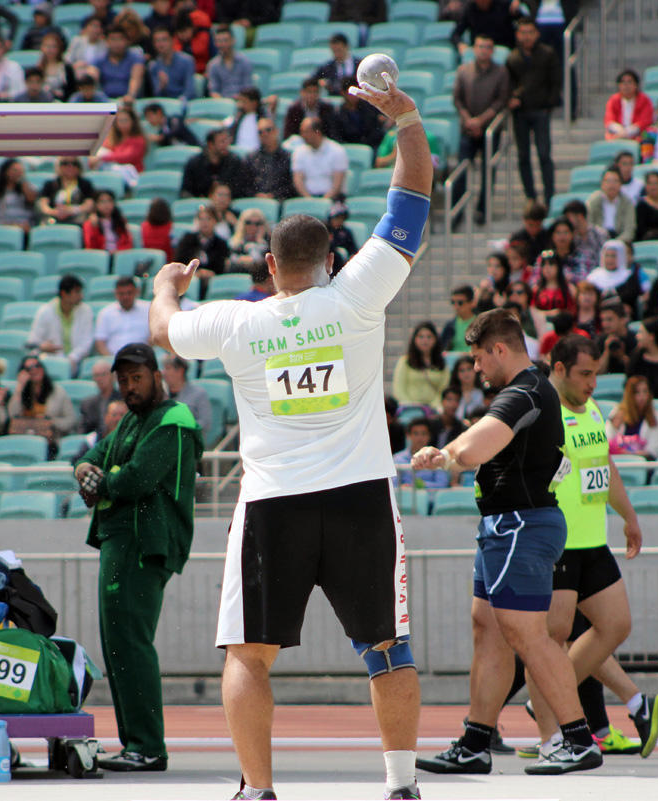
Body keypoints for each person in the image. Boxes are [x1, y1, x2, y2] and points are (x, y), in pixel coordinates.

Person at [148, 71, 431, 800]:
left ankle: (259, 790)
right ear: (331, 258)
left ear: (269, 267)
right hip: (363, 494)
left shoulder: (240, 321)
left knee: (249, 654)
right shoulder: (358, 294)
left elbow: (163, 333)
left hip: (275, 501)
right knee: (388, 647)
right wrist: (404, 120)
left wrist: (167, 284)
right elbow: (412, 202)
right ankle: (401, 786)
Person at [412, 310, 603, 777]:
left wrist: (446, 455)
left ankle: (579, 739)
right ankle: (477, 741)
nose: (475, 369)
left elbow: (479, 445)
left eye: (478, 358)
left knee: (529, 637)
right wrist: (454, 453)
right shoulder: (526, 391)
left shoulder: (525, 391)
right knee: (489, 628)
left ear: (500, 350)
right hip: (507, 525)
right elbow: (480, 439)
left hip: (521, 525)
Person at [516, 336, 658, 763]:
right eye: (584, 373)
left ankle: (548, 695)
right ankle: (552, 738)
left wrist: (629, 516)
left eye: (596, 373)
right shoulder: (544, 414)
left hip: (594, 543)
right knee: (551, 640)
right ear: (557, 369)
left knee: (616, 625)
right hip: (557, 545)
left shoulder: (593, 408)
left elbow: (605, 465)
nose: (593, 382)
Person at [73, 343, 202, 773]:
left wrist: (101, 481)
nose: (130, 386)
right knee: (117, 645)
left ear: (157, 375)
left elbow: (138, 478)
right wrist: (85, 472)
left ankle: (147, 746)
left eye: (137, 377)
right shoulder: (132, 420)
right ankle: (136, 744)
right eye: (123, 380)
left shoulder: (173, 420)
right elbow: (92, 458)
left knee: (130, 641)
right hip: (120, 538)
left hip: (143, 541)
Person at [453, 35, 511, 224]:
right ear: (474, 49)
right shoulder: (464, 70)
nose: (483, 50)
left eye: (487, 47)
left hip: (490, 131)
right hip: (467, 129)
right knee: (461, 171)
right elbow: (457, 100)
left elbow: (501, 101)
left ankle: (482, 211)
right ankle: (456, 212)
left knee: (488, 172)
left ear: (492, 50)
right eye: (480, 46)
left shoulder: (501, 72)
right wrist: (469, 120)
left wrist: (481, 121)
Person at [506, 17, 559, 205]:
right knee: (523, 156)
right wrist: (511, 98)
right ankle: (531, 196)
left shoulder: (547, 54)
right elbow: (509, 84)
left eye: (530, 32)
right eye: (523, 32)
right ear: (517, 35)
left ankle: (549, 194)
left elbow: (555, 82)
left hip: (541, 110)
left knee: (544, 154)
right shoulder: (512, 57)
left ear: (537, 33)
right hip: (520, 112)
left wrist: (549, 105)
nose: (526, 36)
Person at [26, 275, 95, 377]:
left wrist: (71, 359)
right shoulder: (45, 312)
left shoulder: (86, 311)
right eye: (76, 292)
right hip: (51, 366)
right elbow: (33, 342)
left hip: (78, 363)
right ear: (64, 294)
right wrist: (42, 347)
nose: (81, 296)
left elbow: (86, 342)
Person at [605, 374, 658, 459]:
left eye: (645, 391)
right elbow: (607, 442)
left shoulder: (655, 416)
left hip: (643, 463)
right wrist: (614, 427)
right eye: (637, 392)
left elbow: (654, 450)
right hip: (618, 461)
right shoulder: (617, 412)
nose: (642, 396)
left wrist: (633, 454)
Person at [182, 127, 249, 199]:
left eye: (227, 141)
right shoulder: (195, 163)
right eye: (222, 142)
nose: (226, 145)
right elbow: (186, 191)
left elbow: (241, 189)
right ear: (211, 144)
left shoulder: (234, 162)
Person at [394, 322, 448, 410]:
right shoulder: (404, 362)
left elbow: (444, 389)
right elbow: (398, 389)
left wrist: (432, 406)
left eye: (429, 337)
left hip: (434, 410)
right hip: (409, 410)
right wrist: (413, 406)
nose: (425, 340)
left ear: (435, 339)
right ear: (414, 339)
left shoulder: (441, 363)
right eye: (421, 337)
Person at [291, 118, 349, 200]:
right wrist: (309, 199)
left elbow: (337, 184)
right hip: (307, 199)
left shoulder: (337, 150)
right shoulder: (298, 152)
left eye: (306, 132)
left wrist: (323, 202)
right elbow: (298, 180)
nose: (303, 136)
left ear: (317, 132)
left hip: (332, 199)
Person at [95, 275, 151, 356]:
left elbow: (156, 336)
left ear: (137, 292)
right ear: (115, 293)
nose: (126, 297)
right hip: (114, 360)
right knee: (99, 368)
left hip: (143, 358)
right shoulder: (106, 313)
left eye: (129, 293)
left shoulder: (149, 309)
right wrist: (112, 360)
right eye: (121, 294)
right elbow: (100, 342)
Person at [161, 355, 212, 441]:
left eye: (168, 368)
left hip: (190, 442)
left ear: (180, 371)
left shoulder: (199, 394)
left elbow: (205, 423)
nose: (163, 373)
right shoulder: (161, 395)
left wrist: (181, 427)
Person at [175, 204, 230, 282]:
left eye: (208, 219)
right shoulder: (188, 239)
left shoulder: (221, 244)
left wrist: (210, 273)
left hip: (212, 280)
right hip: (190, 279)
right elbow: (179, 261)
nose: (204, 223)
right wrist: (195, 273)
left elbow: (222, 266)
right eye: (201, 219)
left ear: (215, 221)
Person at [0, 157, 37, 230]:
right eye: (14, 170)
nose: (17, 173)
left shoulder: (27, 187)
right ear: (6, 171)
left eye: (20, 170)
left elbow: (32, 198)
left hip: (22, 227)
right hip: (0, 226)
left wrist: (22, 182)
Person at [247, 118, 294, 200]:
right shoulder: (251, 158)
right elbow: (245, 185)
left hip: (280, 202)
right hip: (256, 201)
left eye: (268, 130)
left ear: (276, 131)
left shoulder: (288, 157)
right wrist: (256, 195)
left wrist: (274, 195)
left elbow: (291, 185)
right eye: (260, 132)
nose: (265, 134)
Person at [586, 169, 636, 243]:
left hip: (620, 240)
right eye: (608, 181)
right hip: (598, 240)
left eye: (615, 181)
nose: (612, 185)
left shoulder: (627, 203)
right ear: (602, 184)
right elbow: (588, 225)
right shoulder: (593, 201)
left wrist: (615, 243)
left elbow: (629, 230)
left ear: (621, 184)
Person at [147, 23, 195, 100]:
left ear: (172, 41)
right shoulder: (153, 66)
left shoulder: (187, 60)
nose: (161, 44)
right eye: (157, 41)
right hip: (164, 105)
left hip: (183, 103)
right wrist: (161, 86)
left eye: (164, 40)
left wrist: (179, 103)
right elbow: (156, 95)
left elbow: (190, 91)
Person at [604, 69, 653, 142]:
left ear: (636, 85)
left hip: (638, 137)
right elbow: (609, 120)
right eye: (623, 82)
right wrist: (621, 132)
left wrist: (627, 132)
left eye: (629, 82)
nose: (626, 85)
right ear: (619, 86)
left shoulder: (644, 100)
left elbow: (645, 121)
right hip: (617, 136)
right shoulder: (614, 100)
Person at [451, 0, 516, 53]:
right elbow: (456, 34)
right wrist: (460, 44)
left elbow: (522, 22)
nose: (482, 1)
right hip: (479, 50)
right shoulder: (470, 8)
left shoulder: (505, 5)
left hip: (503, 49)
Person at [205, 25, 251, 99]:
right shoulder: (212, 65)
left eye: (225, 40)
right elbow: (214, 91)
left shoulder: (244, 61)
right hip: (222, 103)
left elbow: (248, 87)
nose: (222, 44)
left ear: (233, 40)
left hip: (242, 101)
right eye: (219, 41)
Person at [82, 189, 134, 253]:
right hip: (100, 258)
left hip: (119, 255)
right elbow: (91, 247)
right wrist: (94, 228)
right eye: (102, 202)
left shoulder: (120, 221)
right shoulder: (90, 224)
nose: (106, 205)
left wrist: (117, 252)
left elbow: (128, 243)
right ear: (96, 205)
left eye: (109, 201)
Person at [312, 32, 360, 96]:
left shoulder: (358, 64)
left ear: (346, 46)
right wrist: (321, 82)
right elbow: (312, 79)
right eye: (334, 51)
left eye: (339, 50)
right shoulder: (327, 67)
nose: (337, 54)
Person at [441, 286, 478, 353]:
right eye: (453, 302)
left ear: (471, 303)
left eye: (460, 303)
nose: (456, 306)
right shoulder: (449, 326)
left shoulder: (480, 323)